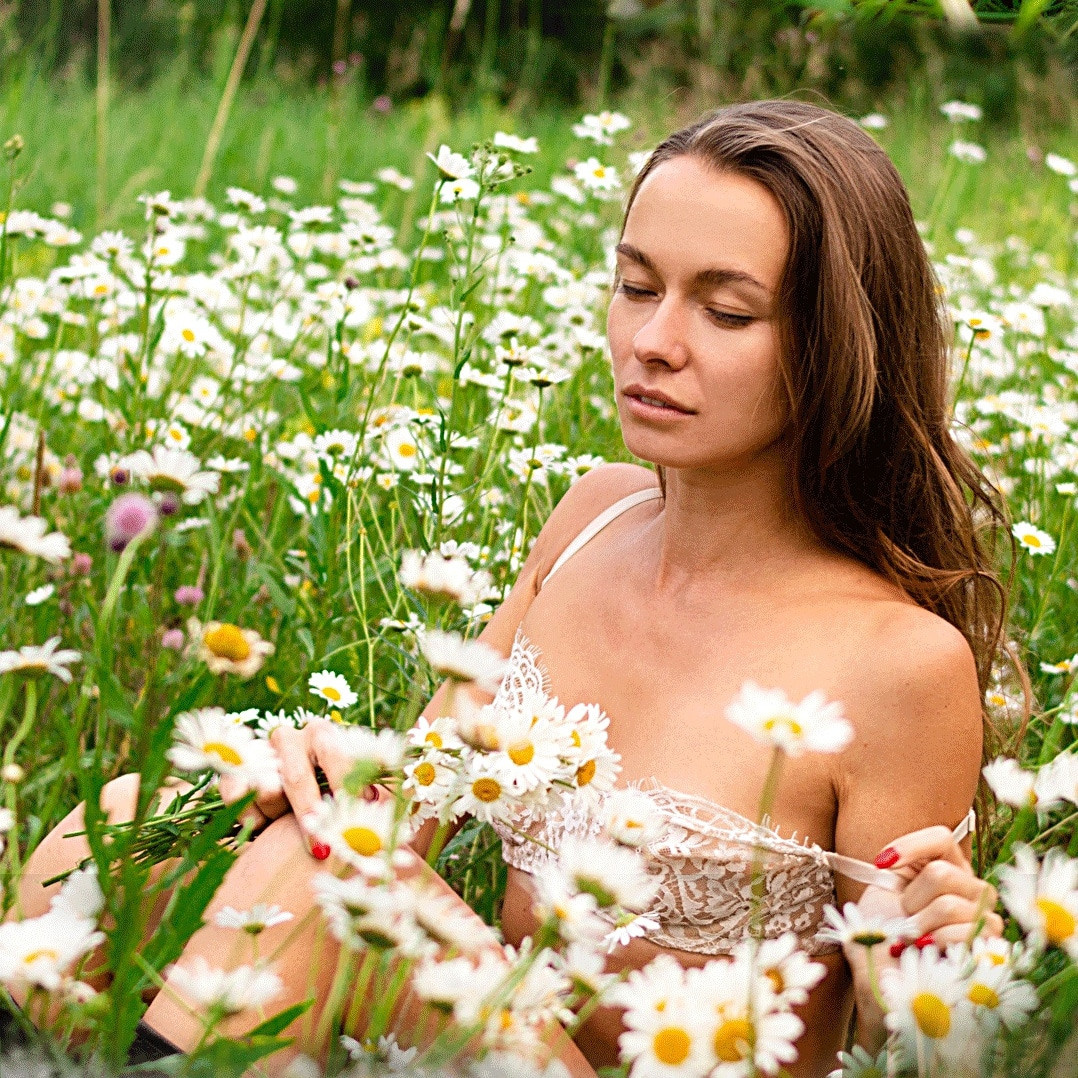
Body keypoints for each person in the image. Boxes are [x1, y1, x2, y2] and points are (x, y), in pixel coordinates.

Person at [18, 100, 1009, 1076]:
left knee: (337, 884)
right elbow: (411, 806)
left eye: (726, 310)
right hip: (477, 1032)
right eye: (635, 286)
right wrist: (322, 777)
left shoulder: (898, 664)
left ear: (837, 344)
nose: (653, 341)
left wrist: (914, 976)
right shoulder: (594, 517)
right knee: (134, 828)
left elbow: (908, 1046)